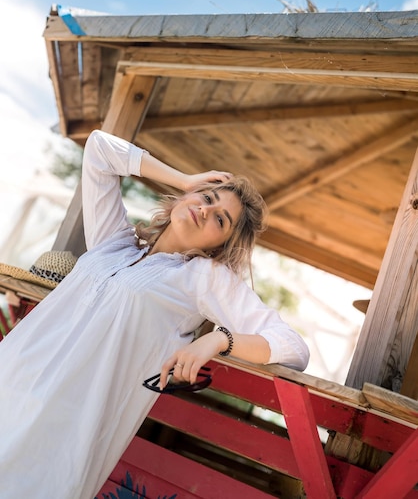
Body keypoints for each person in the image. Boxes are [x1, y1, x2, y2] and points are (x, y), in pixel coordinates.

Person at [0, 129, 309, 499]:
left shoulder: (204, 278)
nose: (205, 209)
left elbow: (293, 348)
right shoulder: (114, 241)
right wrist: (185, 179)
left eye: (221, 220)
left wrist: (218, 339)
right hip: (12, 376)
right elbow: (100, 149)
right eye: (206, 198)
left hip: (63, 422)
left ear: (220, 246)